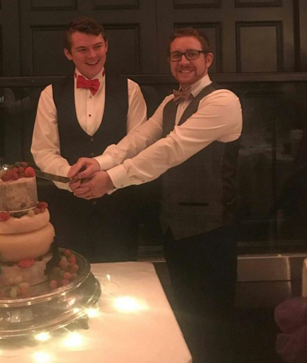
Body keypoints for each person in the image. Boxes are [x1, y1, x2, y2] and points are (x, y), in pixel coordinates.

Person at [67, 28, 243, 363]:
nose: (183, 61)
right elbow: (138, 140)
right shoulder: (171, 101)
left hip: (211, 230)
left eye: (192, 53)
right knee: (185, 314)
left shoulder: (223, 101)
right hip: (173, 226)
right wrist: (98, 162)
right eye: (176, 55)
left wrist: (112, 180)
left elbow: (171, 149)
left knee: (213, 319)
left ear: (208, 59)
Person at [30, 16, 147, 263]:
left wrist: (109, 179)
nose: (92, 55)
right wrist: (70, 178)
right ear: (68, 53)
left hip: (119, 207)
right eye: (82, 49)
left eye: (97, 46)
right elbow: (43, 151)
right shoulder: (50, 94)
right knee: (69, 280)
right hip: (68, 210)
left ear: (106, 46)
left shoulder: (130, 90)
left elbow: (138, 144)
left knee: (123, 284)